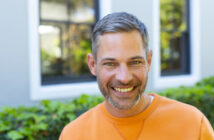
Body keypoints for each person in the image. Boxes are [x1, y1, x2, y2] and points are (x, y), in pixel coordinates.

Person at [59, 12, 214, 140]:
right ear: (92, 65)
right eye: (110, 64)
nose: (124, 77)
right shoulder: (73, 135)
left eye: (135, 62)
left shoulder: (192, 124)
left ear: (149, 61)